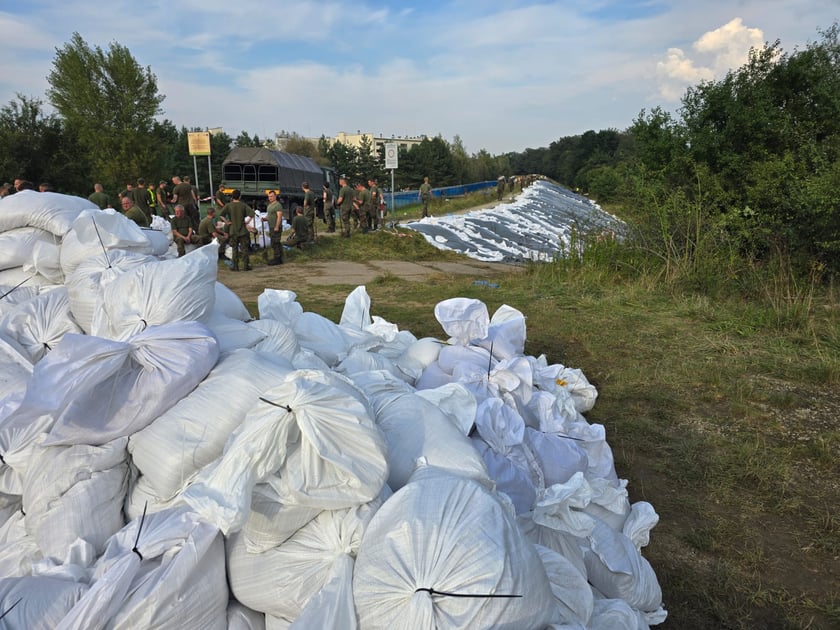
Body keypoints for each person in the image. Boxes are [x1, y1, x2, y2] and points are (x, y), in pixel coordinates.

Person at [219, 189, 255, 271]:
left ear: (232, 197)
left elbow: (221, 215)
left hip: (233, 230)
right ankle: (246, 265)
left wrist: (226, 222)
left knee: (234, 249)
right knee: (244, 249)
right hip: (242, 230)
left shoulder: (228, 205)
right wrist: (247, 222)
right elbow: (252, 214)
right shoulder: (243, 205)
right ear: (240, 196)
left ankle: (235, 266)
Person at [262, 189, 285, 265]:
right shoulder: (269, 206)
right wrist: (265, 219)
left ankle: (277, 258)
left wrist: (277, 226)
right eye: (269, 196)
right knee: (274, 242)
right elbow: (269, 215)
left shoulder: (277, 205)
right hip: (271, 226)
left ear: (275, 196)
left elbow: (279, 216)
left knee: (275, 242)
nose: (270, 198)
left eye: (271, 196)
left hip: (275, 226)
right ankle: (280, 257)